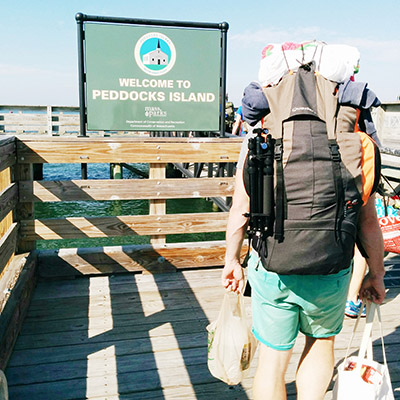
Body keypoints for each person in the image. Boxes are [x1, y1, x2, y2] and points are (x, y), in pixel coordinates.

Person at [222, 149, 386, 399]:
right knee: (320, 343)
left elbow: (240, 209)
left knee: (272, 358)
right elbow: (368, 221)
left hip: (272, 267)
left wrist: (232, 260)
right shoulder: (357, 142)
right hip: (330, 268)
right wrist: (376, 273)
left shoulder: (263, 135)